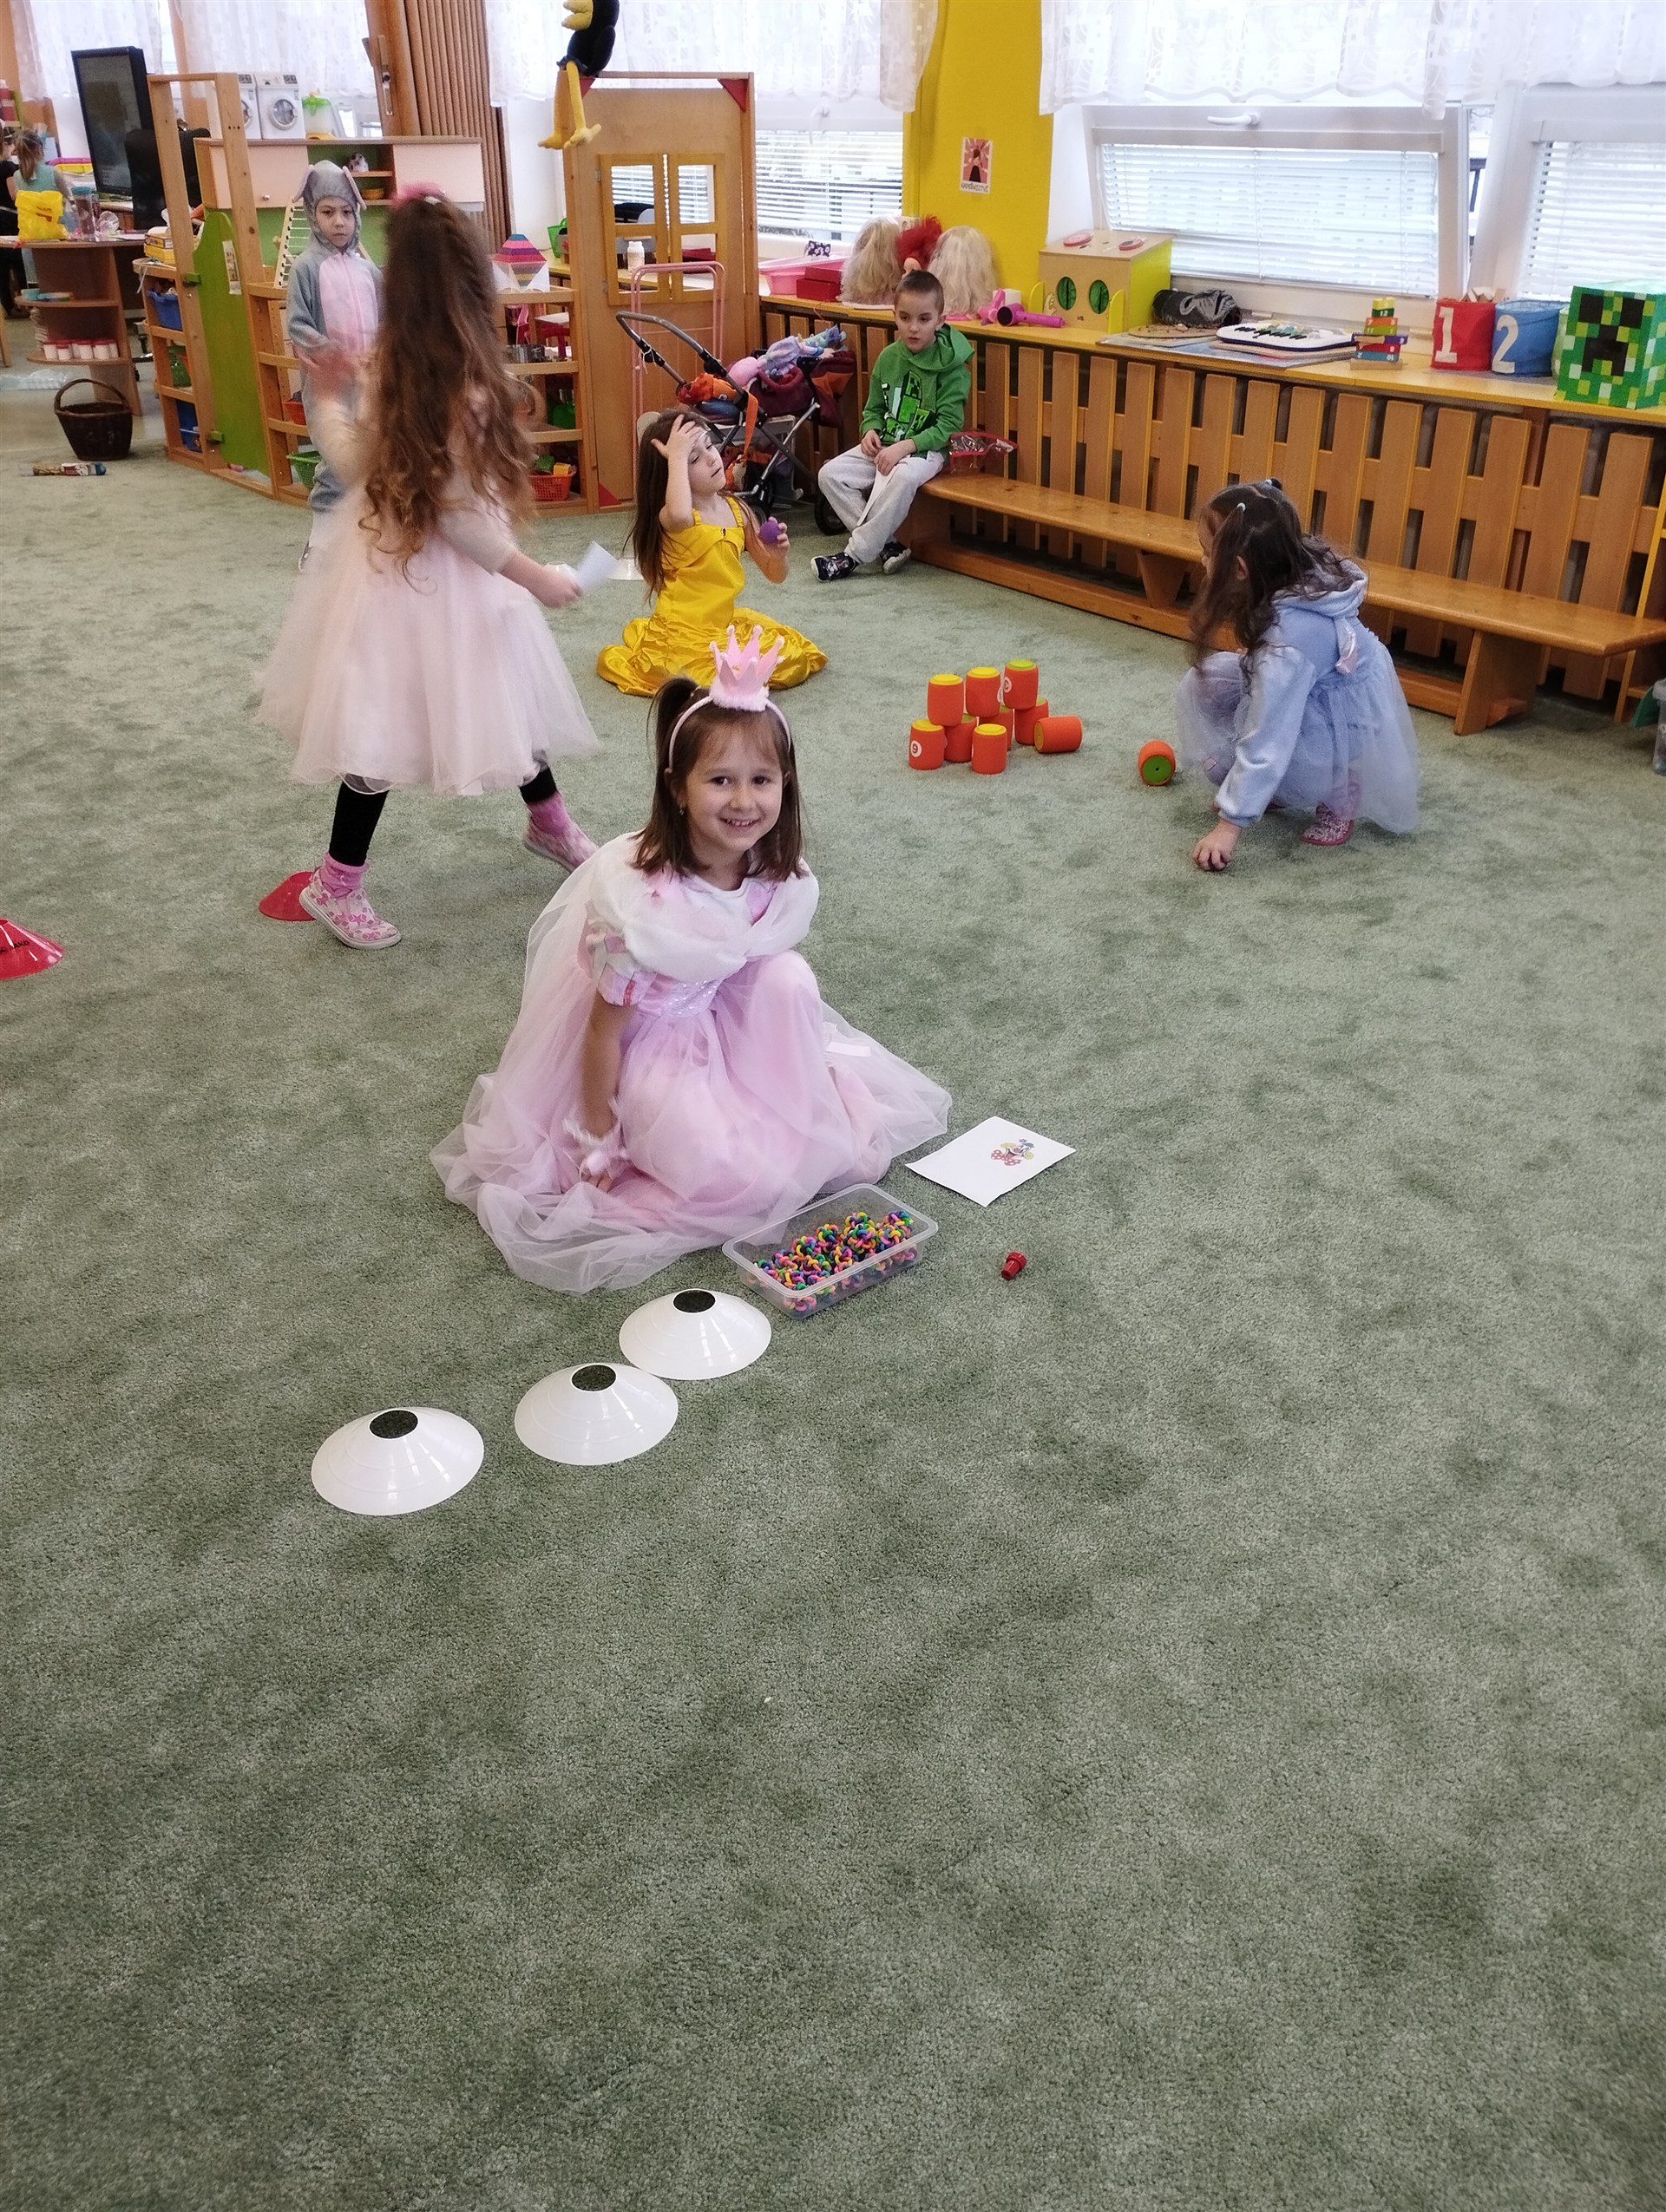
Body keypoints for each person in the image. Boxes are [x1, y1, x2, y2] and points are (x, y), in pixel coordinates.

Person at [434, 627, 951, 1293]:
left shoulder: (769, 870)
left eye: (761, 780)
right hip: (649, 1047)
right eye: (720, 780)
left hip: (722, 1016)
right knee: (732, 1177)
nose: (743, 801)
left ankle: (786, 1094)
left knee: (791, 980)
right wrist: (598, 1137)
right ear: (678, 788)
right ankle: (695, 1136)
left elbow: (752, 969)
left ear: (785, 784)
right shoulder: (639, 908)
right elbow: (601, 1033)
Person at [258, 190, 599, 950]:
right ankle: (334, 884)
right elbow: (455, 514)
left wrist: (326, 399)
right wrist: (536, 576)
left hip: (394, 567)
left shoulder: (394, 363)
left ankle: (549, 824)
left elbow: (354, 462)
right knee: (381, 728)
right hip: (420, 576)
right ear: (473, 283)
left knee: (500, 693)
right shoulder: (447, 382)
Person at [1179, 480, 1420, 870]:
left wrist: (1229, 824)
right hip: (1313, 683)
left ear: (1240, 569)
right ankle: (1275, 786)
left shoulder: (1287, 648)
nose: (1203, 561)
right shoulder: (1281, 568)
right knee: (1205, 682)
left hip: (1346, 714)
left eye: (1208, 554)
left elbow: (1269, 735)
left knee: (1285, 748)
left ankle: (1338, 789)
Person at [596, 409, 824, 696]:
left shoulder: (738, 510)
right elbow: (679, 513)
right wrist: (677, 456)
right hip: (682, 636)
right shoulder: (675, 518)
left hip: (721, 627)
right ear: (671, 475)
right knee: (711, 683)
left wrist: (779, 556)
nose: (712, 458)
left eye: (709, 446)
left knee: (790, 658)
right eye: (693, 459)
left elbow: (775, 574)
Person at [814, 268, 973, 582]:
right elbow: (874, 408)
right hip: (887, 443)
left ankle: (852, 556)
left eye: (924, 319)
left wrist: (903, 448)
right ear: (894, 316)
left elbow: (948, 427)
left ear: (940, 320)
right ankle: (887, 544)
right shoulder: (888, 358)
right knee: (829, 475)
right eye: (905, 317)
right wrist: (870, 430)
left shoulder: (953, 368)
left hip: (927, 451)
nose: (913, 328)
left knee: (903, 475)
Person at [284, 161, 383, 518]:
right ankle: (323, 535)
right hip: (330, 386)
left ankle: (365, 535)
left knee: (373, 458)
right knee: (338, 464)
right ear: (313, 215)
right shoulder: (305, 268)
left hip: (371, 382)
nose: (339, 222)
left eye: (346, 212)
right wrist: (333, 355)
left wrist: (380, 358)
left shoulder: (369, 270)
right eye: (328, 212)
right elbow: (298, 325)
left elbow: (387, 323)